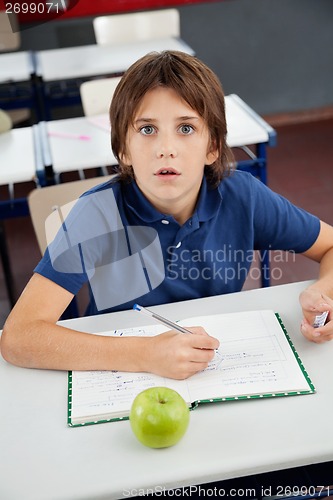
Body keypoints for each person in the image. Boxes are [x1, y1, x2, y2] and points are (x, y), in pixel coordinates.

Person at [1, 51, 333, 378]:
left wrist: (324, 292)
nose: (166, 148)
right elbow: (19, 337)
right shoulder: (96, 215)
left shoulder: (243, 196)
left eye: (186, 129)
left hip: (216, 367)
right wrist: (145, 354)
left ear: (213, 147)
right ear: (123, 149)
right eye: (147, 130)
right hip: (123, 375)